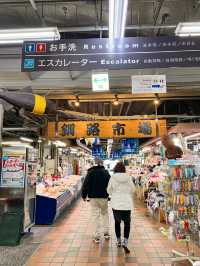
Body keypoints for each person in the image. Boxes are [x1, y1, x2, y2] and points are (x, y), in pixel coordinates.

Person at [82, 157, 110, 243]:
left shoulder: (90, 172)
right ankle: (106, 233)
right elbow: (110, 184)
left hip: (93, 198)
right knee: (105, 214)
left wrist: (84, 195)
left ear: (94, 164)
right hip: (104, 197)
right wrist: (109, 194)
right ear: (101, 164)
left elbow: (85, 185)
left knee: (95, 216)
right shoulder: (106, 172)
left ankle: (96, 236)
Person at [107, 161, 134, 254]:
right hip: (127, 204)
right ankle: (125, 242)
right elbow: (133, 189)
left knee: (117, 222)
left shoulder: (112, 178)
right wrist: (127, 194)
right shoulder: (128, 177)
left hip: (116, 204)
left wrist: (114, 194)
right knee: (127, 223)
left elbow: (108, 190)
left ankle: (118, 241)